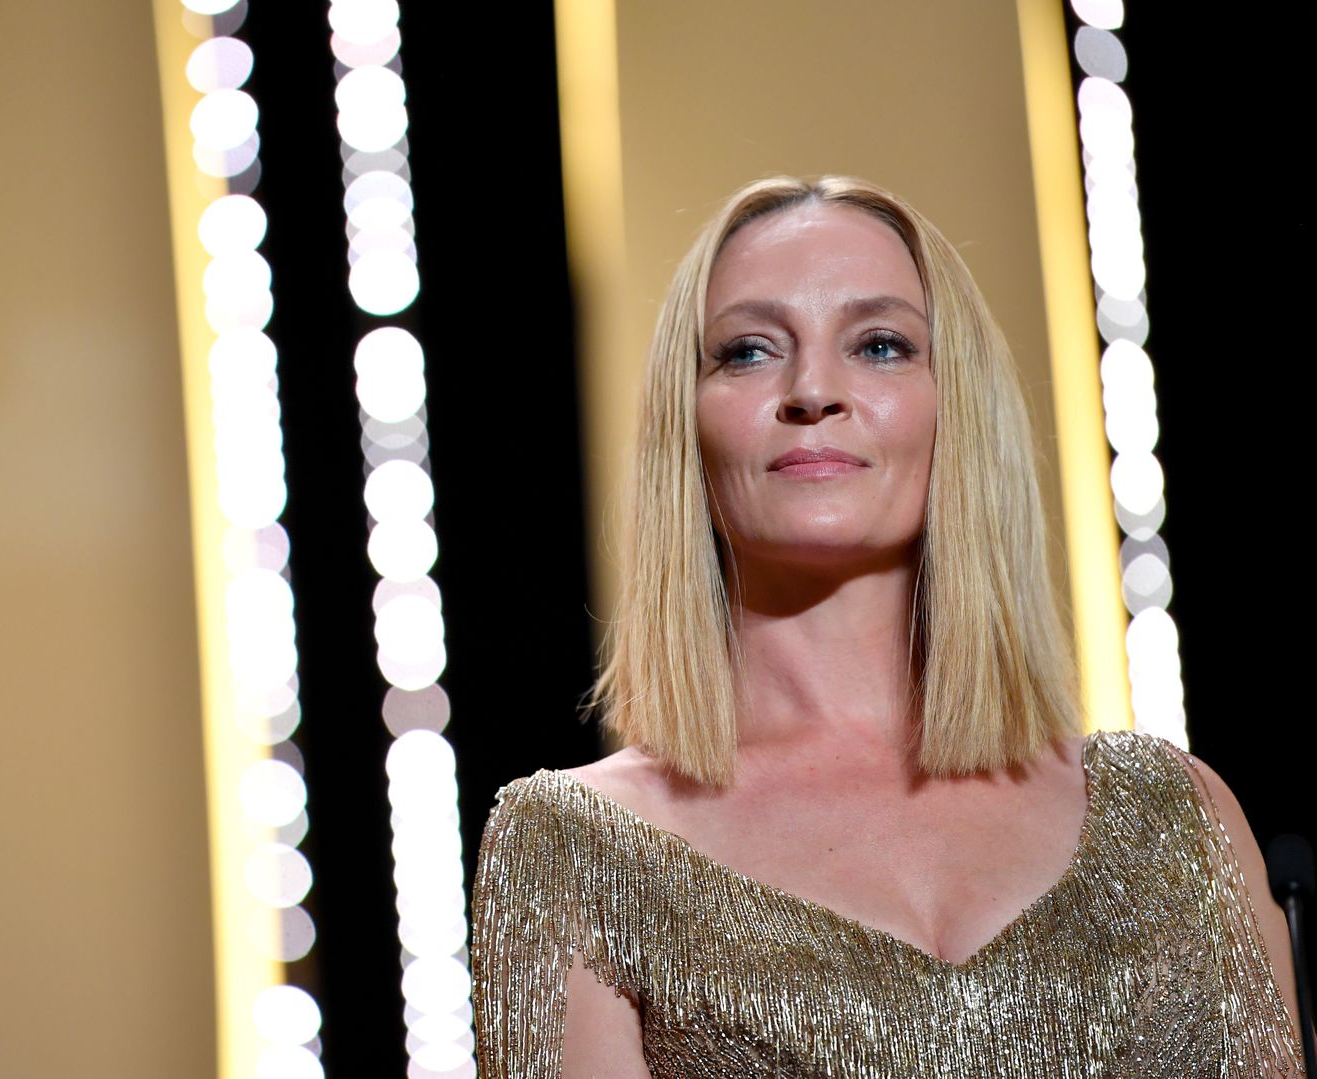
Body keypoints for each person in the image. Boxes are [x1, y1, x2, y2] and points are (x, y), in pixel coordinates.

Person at [468, 175, 1306, 1077]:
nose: (812, 389)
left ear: (958, 405)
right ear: (688, 423)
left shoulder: (1174, 815)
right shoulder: (574, 847)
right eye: (748, 351)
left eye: (879, 344)